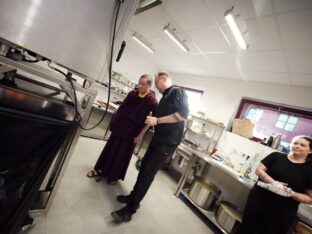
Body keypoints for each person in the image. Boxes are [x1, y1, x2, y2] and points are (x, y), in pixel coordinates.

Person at [111, 71, 189, 223]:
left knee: (148, 174)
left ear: (163, 79)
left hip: (167, 142)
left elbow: (183, 114)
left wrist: (157, 121)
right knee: (143, 168)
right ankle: (133, 197)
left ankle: (130, 210)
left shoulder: (177, 91)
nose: (156, 85)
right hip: (158, 138)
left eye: (156, 81)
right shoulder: (165, 96)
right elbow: (156, 117)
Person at [86, 74, 158, 184]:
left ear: (149, 85)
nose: (140, 86)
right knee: (109, 149)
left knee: (121, 154)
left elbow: (150, 121)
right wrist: (114, 122)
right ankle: (99, 170)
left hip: (132, 132)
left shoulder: (152, 102)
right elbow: (121, 108)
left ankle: (113, 176)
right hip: (120, 127)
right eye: (139, 82)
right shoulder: (132, 94)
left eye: (143, 84)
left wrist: (140, 136)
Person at [239, 135, 312, 234]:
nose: (297, 146)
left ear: (310, 151)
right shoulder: (276, 156)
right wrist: (274, 183)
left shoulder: (309, 170)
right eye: (295, 143)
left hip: (282, 212)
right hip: (259, 200)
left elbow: (309, 198)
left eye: (302, 145)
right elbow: (259, 169)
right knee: (247, 228)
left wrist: (290, 193)